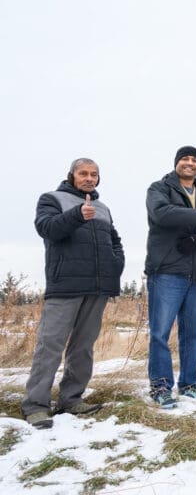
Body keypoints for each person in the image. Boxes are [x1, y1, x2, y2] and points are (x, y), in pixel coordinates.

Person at [22, 158, 124, 429]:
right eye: (83, 173)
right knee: (50, 345)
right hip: (64, 286)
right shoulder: (51, 199)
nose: (89, 178)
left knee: (83, 347)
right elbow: (47, 229)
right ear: (71, 175)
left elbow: (115, 241)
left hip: (97, 288)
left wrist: (116, 266)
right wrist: (77, 214)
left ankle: (71, 399)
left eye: (94, 174)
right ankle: (36, 405)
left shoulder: (103, 208)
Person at [145, 146, 196, 408]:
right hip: (167, 270)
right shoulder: (159, 188)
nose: (189, 163)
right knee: (160, 332)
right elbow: (162, 213)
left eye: (194, 160)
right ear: (176, 162)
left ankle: (190, 384)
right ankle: (160, 387)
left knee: (193, 333)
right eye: (185, 159)